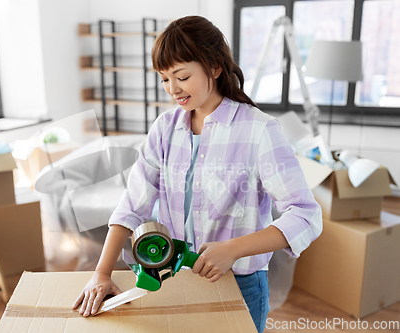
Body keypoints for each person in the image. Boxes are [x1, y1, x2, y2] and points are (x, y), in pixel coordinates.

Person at [72, 15, 322, 333]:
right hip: (177, 278)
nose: (173, 89)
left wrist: (232, 249)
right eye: (164, 79)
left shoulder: (259, 131)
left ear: (214, 68)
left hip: (242, 284)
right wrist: (102, 274)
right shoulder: (164, 129)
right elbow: (133, 204)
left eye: (182, 76)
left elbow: (305, 215)